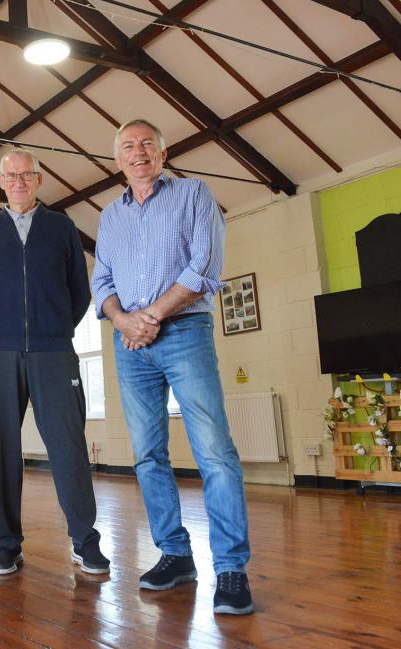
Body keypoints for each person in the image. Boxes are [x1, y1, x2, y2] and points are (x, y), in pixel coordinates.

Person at [92, 119, 252, 615]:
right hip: (130, 345)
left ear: (163, 153)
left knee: (215, 452)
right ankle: (175, 554)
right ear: (118, 160)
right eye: (127, 147)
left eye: (146, 144)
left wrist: (151, 317)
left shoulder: (193, 194)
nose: (137, 153)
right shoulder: (109, 217)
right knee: (147, 455)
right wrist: (123, 320)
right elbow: (101, 283)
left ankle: (230, 568)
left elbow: (204, 267)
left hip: (184, 333)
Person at [0, 148, 109, 577]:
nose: (19, 182)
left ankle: (86, 542)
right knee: (0, 450)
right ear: (1, 182)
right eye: (12, 176)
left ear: (40, 180)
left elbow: (80, 291)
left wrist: (55, 328)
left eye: (27, 175)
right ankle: (6, 544)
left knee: (68, 447)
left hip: (54, 352)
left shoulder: (61, 227)